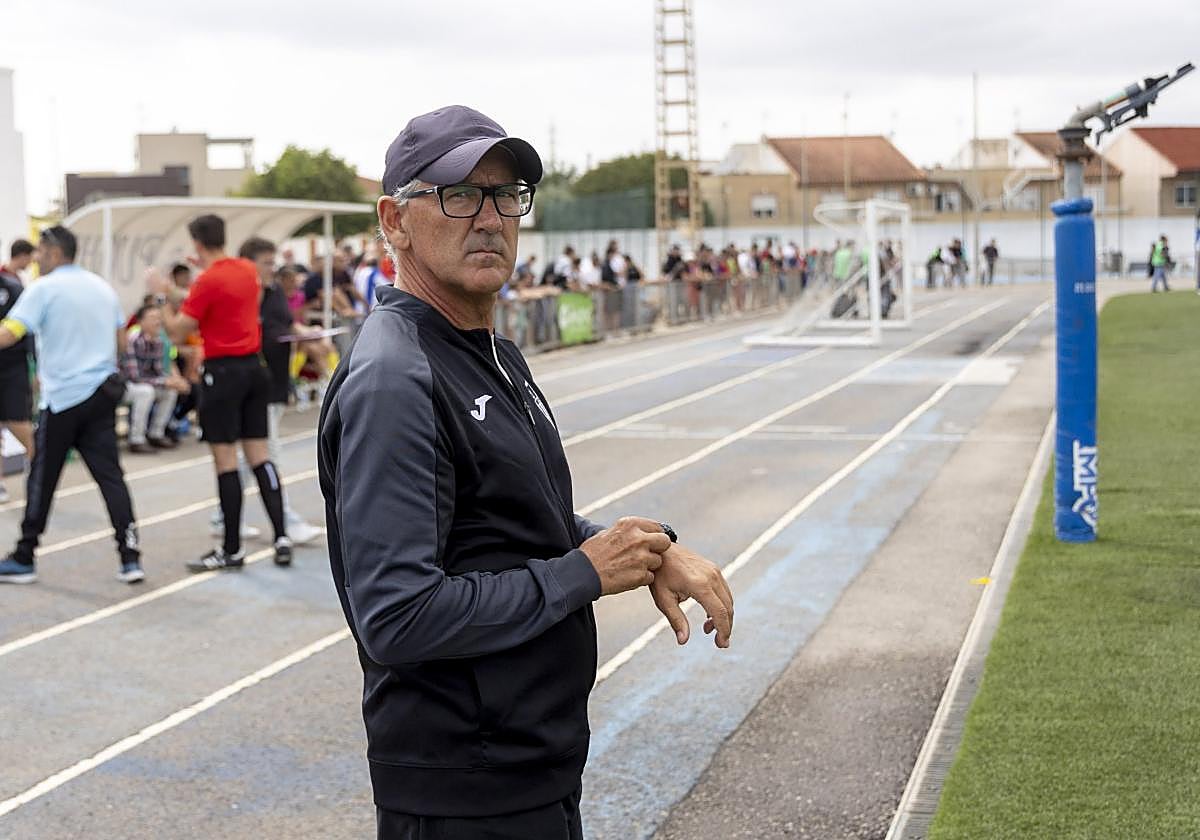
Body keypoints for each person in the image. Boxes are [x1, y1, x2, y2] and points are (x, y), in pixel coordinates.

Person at [318, 105, 734, 839]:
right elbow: (397, 615)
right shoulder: (394, 378)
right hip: (465, 792)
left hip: (529, 771)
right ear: (395, 220)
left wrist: (647, 550)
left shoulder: (492, 354)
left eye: (506, 195)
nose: (489, 218)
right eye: (459, 195)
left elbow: (521, 517)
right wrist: (584, 573)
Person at [0, 225, 143, 584]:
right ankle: (130, 558)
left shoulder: (43, 288)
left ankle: (25, 556)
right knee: (111, 477)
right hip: (101, 393)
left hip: (63, 398)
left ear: (52, 252)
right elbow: (121, 341)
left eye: (39, 252)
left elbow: (9, 333)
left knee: (42, 480)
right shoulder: (102, 287)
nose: (36, 259)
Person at [152, 214, 292, 570]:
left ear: (197, 243)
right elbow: (225, 299)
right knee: (260, 457)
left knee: (226, 461)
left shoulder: (206, 282)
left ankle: (232, 550)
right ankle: (281, 536)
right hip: (254, 369)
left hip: (222, 373)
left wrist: (161, 297)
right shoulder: (246, 270)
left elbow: (177, 331)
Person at [209, 236, 321, 545]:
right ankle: (286, 521)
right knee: (268, 455)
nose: (273, 268)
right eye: (267, 263)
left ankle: (222, 515)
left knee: (253, 457)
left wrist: (305, 332)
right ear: (248, 263)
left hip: (276, 382)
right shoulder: (243, 294)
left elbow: (285, 323)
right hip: (256, 384)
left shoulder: (274, 291)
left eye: (274, 262)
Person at [122, 304, 188, 453]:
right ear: (140, 321)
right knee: (146, 392)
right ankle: (136, 439)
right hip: (126, 385)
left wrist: (174, 381)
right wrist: (164, 381)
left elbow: (158, 371)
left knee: (170, 391)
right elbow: (134, 377)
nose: (157, 322)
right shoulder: (133, 340)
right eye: (152, 318)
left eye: (159, 318)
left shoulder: (158, 340)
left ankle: (156, 434)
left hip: (146, 383)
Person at [0, 239, 35, 503]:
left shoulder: (13, 288)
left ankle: (38, 472)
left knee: (19, 423)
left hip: (14, 367)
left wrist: (36, 367)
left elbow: (27, 330)